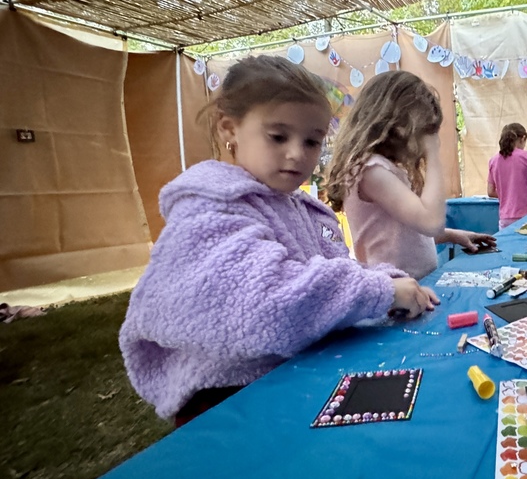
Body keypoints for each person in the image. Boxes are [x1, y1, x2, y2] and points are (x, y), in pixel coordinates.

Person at [119, 56, 437, 425]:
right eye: (278, 136)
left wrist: (387, 279)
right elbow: (270, 302)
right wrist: (380, 292)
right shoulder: (208, 210)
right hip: (229, 407)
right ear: (229, 128)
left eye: (312, 141)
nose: (296, 153)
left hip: (294, 379)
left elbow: (334, 274)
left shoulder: (299, 208)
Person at [325, 70, 496, 280]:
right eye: (424, 132)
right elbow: (429, 222)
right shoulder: (371, 170)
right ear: (398, 127)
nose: (423, 142)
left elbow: (405, 233)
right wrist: (433, 153)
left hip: (413, 288)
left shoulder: (384, 168)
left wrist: (453, 235)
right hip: (395, 293)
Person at [487, 122, 527, 229]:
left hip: (505, 219)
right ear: (522, 138)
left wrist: (508, 195)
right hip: (526, 217)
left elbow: (490, 192)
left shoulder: (493, 161)